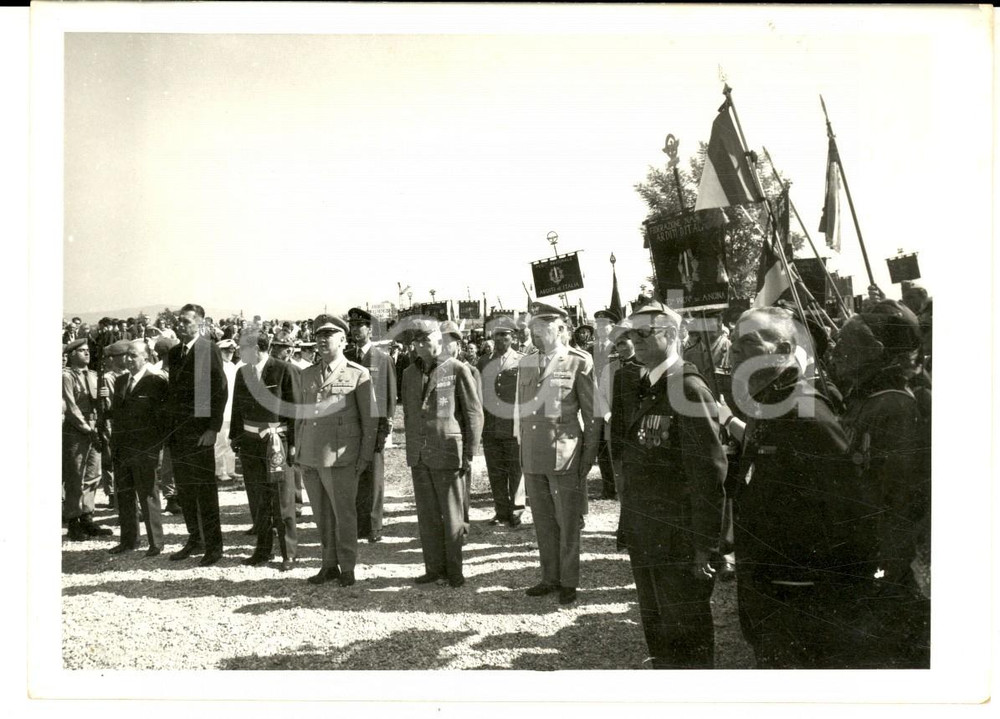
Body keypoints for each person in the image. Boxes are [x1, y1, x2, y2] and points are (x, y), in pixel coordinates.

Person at [727, 306, 869, 669]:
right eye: (733, 343)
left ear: (785, 349)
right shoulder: (767, 405)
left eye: (748, 344)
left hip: (801, 600)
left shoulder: (806, 410)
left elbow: (851, 508)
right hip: (768, 590)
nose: (733, 353)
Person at [609, 301, 727, 668]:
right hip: (648, 534)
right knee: (658, 627)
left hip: (679, 540)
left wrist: (706, 546)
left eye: (645, 333)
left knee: (686, 636)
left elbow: (708, 474)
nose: (635, 340)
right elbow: (634, 467)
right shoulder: (641, 383)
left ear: (673, 335)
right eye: (631, 334)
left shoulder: (688, 388)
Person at [829, 299, 931, 668]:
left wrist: (883, 566)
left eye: (848, 343)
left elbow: (900, 500)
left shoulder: (893, 407)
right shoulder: (867, 400)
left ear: (877, 352)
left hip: (885, 564)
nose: (837, 351)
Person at [515, 302, 598, 605]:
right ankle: (549, 576)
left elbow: (592, 416)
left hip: (565, 454)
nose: (535, 336)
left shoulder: (579, 361)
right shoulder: (526, 363)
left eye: (541, 330)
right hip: (534, 455)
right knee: (544, 520)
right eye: (533, 331)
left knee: (568, 520)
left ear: (560, 329)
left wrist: (588, 456)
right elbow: (521, 411)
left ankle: (569, 580)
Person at [294, 313, 377, 587]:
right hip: (311, 455)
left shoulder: (357, 373)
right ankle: (328, 564)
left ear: (342, 340)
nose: (322, 340)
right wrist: (298, 452)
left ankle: (348, 567)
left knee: (344, 514)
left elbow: (369, 419)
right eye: (318, 336)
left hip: (342, 456)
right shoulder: (306, 374)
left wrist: (365, 456)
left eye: (328, 335)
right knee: (321, 515)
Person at [400, 319, 483, 588]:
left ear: (440, 341)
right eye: (419, 341)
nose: (423, 345)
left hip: (448, 451)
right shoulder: (408, 374)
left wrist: (470, 452)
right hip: (420, 454)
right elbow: (410, 413)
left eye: (428, 340)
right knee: (427, 516)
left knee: (452, 515)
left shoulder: (457, 369)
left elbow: (473, 413)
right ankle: (433, 568)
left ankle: (454, 570)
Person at [163, 303, 229, 567]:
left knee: (204, 490)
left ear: (200, 324)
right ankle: (195, 538)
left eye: (187, 321)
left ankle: (214, 546)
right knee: (185, 490)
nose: (181, 325)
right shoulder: (175, 352)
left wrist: (212, 428)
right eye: (179, 321)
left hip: (200, 432)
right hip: (179, 433)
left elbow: (219, 390)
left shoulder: (208, 349)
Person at [230, 329, 300, 571]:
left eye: (243, 348)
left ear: (257, 349)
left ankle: (288, 553)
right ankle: (262, 550)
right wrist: (236, 438)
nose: (239, 352)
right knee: (257, 498)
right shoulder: (242, 372)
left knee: (282, 500)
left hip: (277, 442)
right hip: (250, 443)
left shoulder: (283, 369)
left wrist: (293, 445)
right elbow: (237, 408)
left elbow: (295, 410)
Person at [107, 340, 168, 556]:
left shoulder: (156, 381)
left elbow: (162, 419)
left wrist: (155, 448)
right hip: (123, 448)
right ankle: (129, 540)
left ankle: (156, 542)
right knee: (124, 495)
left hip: (145, 448)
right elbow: (117, 414)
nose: (129, 359)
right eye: (127, 355)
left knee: (148, 494)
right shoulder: (122, 380)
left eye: (134, 355)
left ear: (146, 356)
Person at [345, 307, 397, 544]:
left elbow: (389, 396)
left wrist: (385, 429)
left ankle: (374, 526)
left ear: (369, 329)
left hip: (374, 427)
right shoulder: (345, 358)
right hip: (350, 426)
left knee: (374, 477)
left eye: (360, 326)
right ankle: (357, 524)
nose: (356, 330)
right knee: (352, 476)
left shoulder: (382, 359)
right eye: (352, 326)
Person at [62, 338, 114, 542]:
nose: (86, 353)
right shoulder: (67, 376)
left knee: (93, 474)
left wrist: (105, 396)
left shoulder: (93, 376)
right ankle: (73, 520)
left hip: (95, 425)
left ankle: (87, 516)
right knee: (76, 474)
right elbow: (70, 405)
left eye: (87, 350)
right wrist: (85, 428)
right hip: (77, 429)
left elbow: (104, 404)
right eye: (81, 351)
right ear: (72, 354)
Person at [477, 315, 525, 528]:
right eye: (497, 335)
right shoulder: (483, 361)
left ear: (513, 338)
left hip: (513, 424)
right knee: (495, 470)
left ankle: (516, 511)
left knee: (515, 470)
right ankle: (501, 511)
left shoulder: (523, 360)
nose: (500, 339)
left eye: (504, 335)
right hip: (490, 425)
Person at [440, 320, 481, 525]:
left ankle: (462, 525)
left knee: (461, 483)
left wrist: (471, 449)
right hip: (442, 439)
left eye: (450, 341)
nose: (445, 345)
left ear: (458, 345)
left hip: (461, 438)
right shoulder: (435, 370)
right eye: (442, 341)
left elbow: (474, 412)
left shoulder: (468, 370)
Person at [98, 339, 131, 509]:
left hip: (126, 424)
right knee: (111, 461)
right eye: (124, 355)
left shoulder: (128, 374)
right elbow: (109, 405)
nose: (127, 358)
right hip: (113, 423)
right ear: (115, 358)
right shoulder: (109, 378)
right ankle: (112, 494)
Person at [591, 309, 619, 500]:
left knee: (614, 444)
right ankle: (607, 486)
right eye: (598, 325)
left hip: (611, 400)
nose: (601, 329)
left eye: (605, 325)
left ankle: (617, 486)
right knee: (600, 444)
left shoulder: (618, 348)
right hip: (594, 401)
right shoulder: (590, 349)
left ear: (612, 326)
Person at [214, 338, 239, 483]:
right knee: (221, 442)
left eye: (232, 350)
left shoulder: (232, 366)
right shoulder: (217, 366)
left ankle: (231, 470)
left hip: (232, 409)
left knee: (230, 441)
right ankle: (220, 471)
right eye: (226, 350)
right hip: (221, 410)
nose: (230, 353)